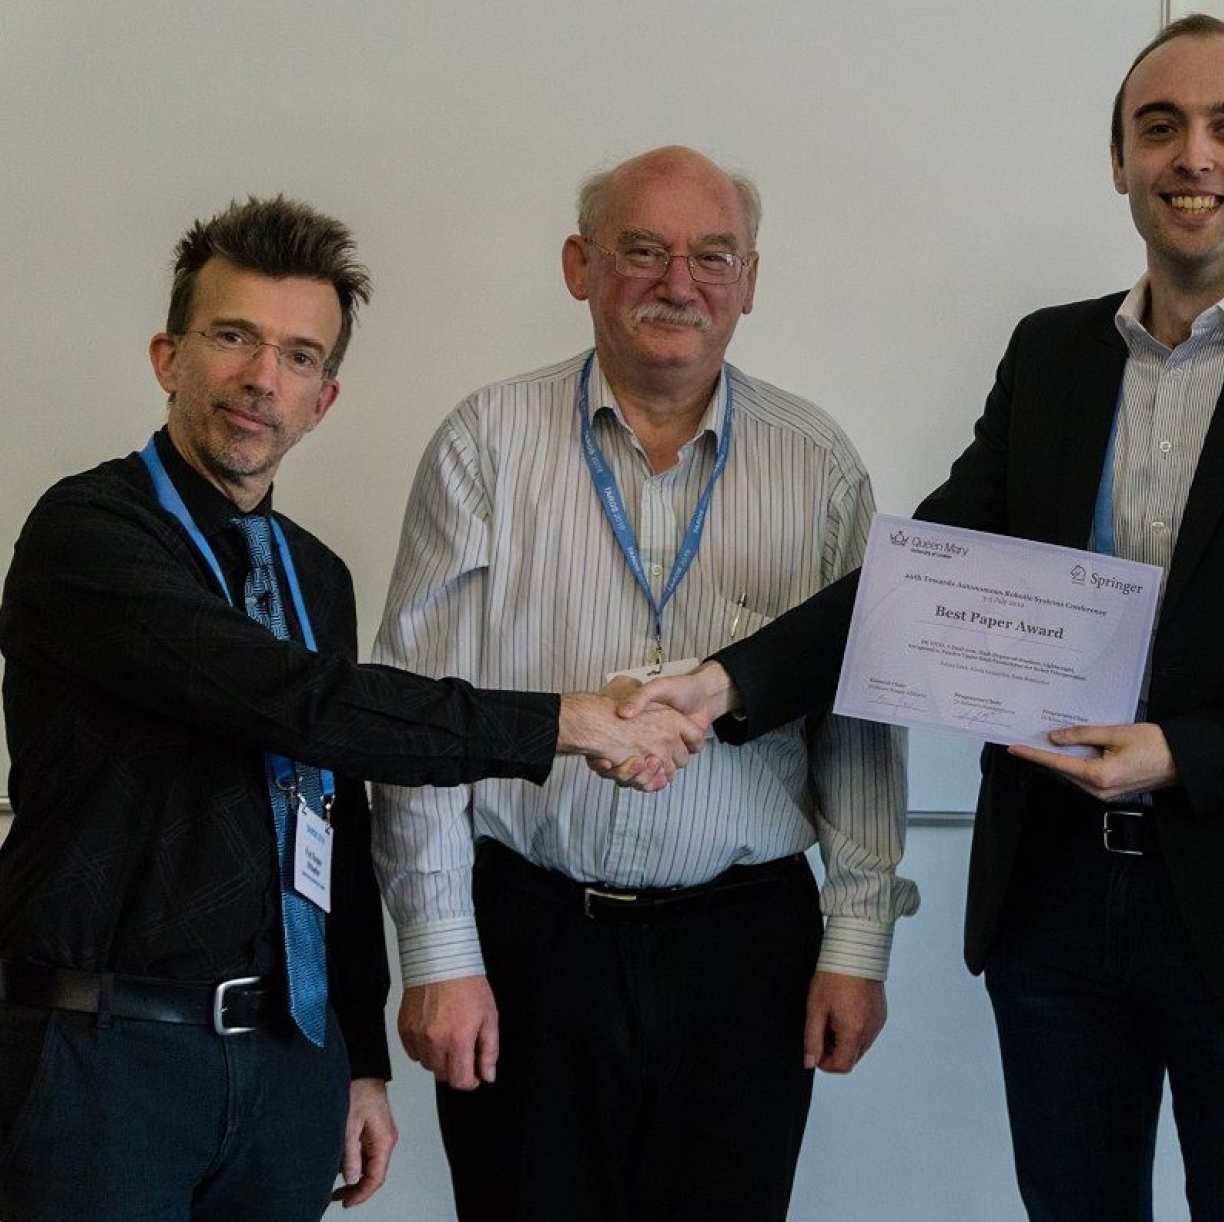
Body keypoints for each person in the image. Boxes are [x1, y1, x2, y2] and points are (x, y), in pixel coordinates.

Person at [636, 17, 1224, 1220]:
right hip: (1056, 898)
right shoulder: (1051, 353)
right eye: (1158, 127)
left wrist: (1182, 751)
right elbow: (927, 576)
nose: (1191, 154)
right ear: (1118, 160)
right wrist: (726, 682)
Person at [0, 196, 703, 1222]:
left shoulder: (313, 574)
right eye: (232, 337)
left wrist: (358, 1059)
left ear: (323, 399)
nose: (262, 378)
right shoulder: (88, 532)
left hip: (284, 1067)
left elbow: (334, 809)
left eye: (298, 356)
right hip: (105, 1059)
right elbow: (296, 704)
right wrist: (568, 721)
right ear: (168, 357)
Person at [369, 146, 917, 1221]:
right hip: (530, 939)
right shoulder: (486, 443)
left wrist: (858, 940)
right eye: (642, 251)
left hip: (746, 952)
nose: (679, 283)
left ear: (749, 281)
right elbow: (419, 713)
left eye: (712, 256)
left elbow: (855, 713)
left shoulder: (818, 463)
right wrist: (437, 950)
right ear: (579, 266)